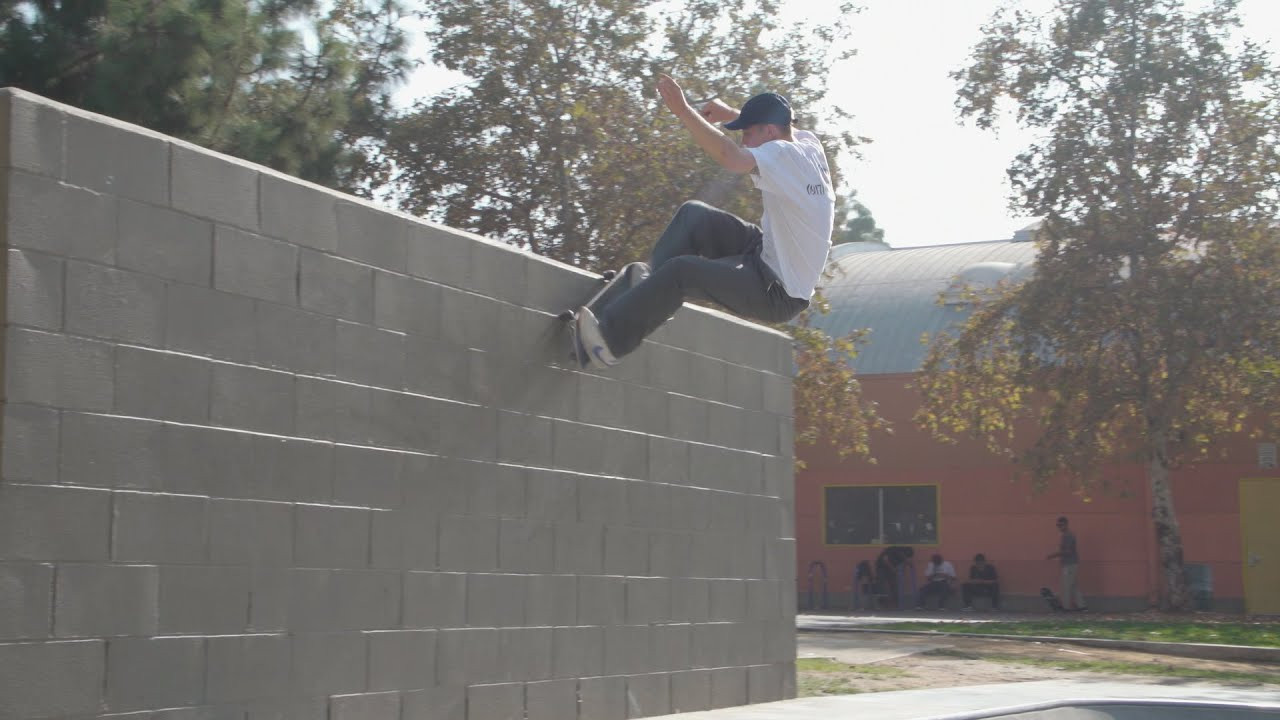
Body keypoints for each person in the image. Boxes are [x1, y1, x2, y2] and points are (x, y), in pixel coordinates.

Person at [574, 74, 835, 368]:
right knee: (694, 216)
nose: (744, 141)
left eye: (747, 133)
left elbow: (731, 157)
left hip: (776, 291)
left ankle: (608, 343)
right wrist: (732, 115)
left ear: (770, 132)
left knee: (682, 272)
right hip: (766, 254)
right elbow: (779, 126)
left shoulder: (780, 153)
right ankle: (648, 291)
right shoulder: (807, 145)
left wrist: (684, 111)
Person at [1046, 516, 1088, 611]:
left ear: (1066, 524)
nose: (1059, 527)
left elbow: (1067, 551)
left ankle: (1065, 607)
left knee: (1066, 586)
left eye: (1061, 525)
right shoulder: (1066, 535)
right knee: (1073, 586)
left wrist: (1053, 555)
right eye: (1058, 525)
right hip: (1070, 563)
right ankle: (1082, 606)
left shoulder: (1068, 535)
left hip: (1070, 564)